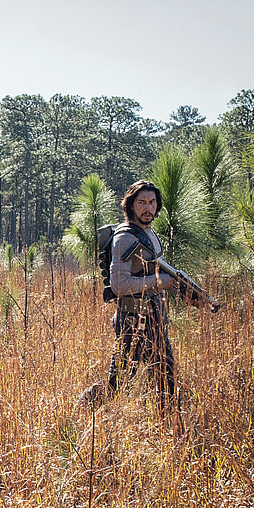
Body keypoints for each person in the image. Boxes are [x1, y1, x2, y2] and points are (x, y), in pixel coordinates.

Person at [83, 180, 202, 420]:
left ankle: (168, 426)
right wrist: (159, 281)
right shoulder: (124, 239)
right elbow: (119, 285)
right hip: (132, 321)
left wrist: (181, 290)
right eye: (142, 203)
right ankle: (86, 409)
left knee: (166, 379)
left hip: (154, 319)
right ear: (130, 205)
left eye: (152, 202)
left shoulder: (149, 233)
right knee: (119, 383)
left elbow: (150, 273)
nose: (148, 208)